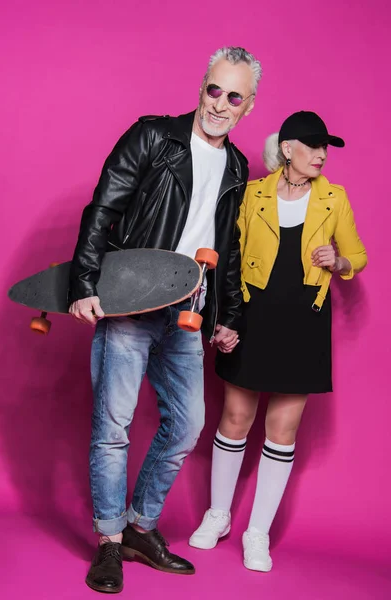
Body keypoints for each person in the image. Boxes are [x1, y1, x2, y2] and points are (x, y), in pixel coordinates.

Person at [68, 46, 262, 593]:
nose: (220, 105)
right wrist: (85, 285)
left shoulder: (239, 165)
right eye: (214, 90)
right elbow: (102, 208)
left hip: (189, 313)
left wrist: (227, 315)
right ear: (201, 85)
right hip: (129, 302)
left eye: (234, 97)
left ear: (248, 106)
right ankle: (108, 542)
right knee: (113, 428)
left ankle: (139, 528)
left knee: (187, 425)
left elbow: (226, 247)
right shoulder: (154, 137)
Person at [189, 110, 368, 572]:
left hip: (304, 324)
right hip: (253, 317)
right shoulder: (253, 194)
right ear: (287, 149)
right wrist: (224, 319)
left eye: (326, 147)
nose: (322, 154)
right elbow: (228, 259)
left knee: (282, 432)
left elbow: (358, 257)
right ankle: (218, 515)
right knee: (233, 418)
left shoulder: (335, 198)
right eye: (313, 145)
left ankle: (257, 533)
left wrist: (340, 261)